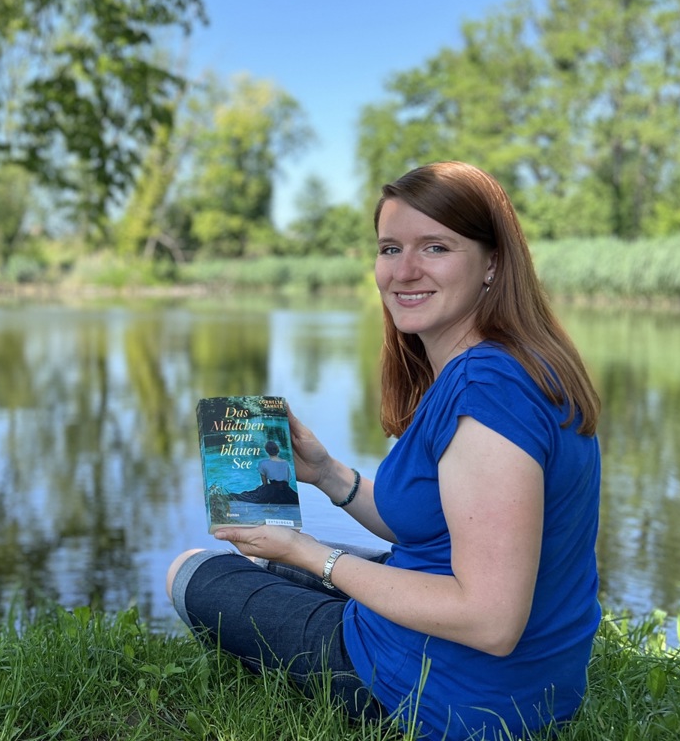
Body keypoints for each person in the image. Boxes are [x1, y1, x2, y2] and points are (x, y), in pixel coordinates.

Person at [166, 161, 602, 740]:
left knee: (192, 569)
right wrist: (325, 473)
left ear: (492, 262)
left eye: (436, 247)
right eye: (390, 248)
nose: (405, 270)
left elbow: (491, 620)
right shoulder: (520, 363)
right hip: (542, 685)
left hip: (447, 693)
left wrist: (310, 555)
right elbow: (440, 524)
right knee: (265, 559)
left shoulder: (483, 393)